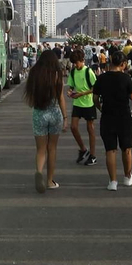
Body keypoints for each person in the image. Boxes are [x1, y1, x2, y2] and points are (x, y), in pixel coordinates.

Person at [25, 49, 69, 193]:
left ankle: (39, 171)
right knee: (52, 148)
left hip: (39, 113)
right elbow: (61, 97)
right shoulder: (57, 75)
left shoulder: (34, 73)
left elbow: (30, 96)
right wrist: (65, 117)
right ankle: (50, 181)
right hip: (54, 113)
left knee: (41, 149)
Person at [94, 50, 132, 191]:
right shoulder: (126, 78)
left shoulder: (101, 78)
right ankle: (127, 176)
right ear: (123, 64)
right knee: (126, 148)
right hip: (124, 116)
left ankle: (112, 181)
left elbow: (95, 98)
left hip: (107, 116)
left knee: (110, 150)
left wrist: (101, 108)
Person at [66, 49, 99, 166]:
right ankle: (83, 149)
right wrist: (70, 91)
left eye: (77, 63)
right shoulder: (73, 72)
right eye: (74, 63)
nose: (75, 65)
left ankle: (93, 155)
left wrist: (82, 94)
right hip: (77, 103)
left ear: (82, 61)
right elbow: (71, 85)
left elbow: (95, 88)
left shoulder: (88, 71)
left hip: (88, 103)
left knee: (90, 129)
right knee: (73, 127)